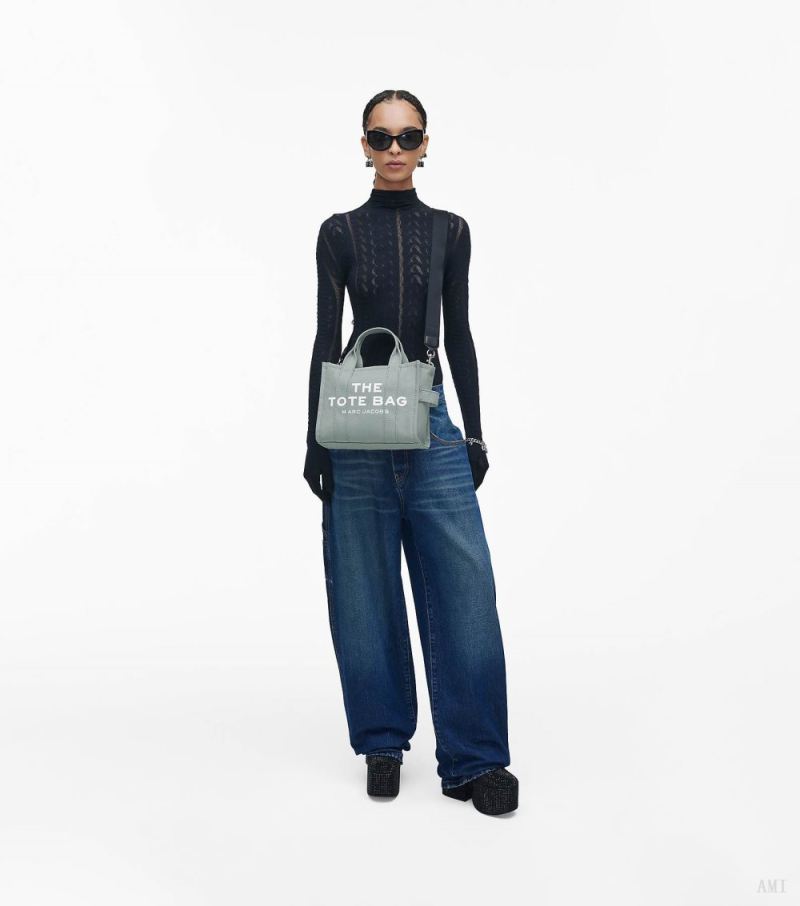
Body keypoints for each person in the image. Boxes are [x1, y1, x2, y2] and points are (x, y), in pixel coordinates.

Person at [303, 89, 518, 816]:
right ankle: (382, 744)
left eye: (407, 136)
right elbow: (324, 337)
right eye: (380, 137)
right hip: (355, 422)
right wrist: (313, 439)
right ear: (362, 145)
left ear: (426, 145)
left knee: (464, 587)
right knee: (362, 590)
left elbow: (459, 335)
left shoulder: (451, 230)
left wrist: (475, 433)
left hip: (431, 417)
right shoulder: (337, 232)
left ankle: (476, 759)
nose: (394, 149)